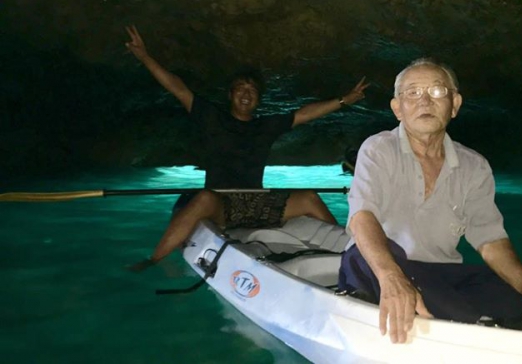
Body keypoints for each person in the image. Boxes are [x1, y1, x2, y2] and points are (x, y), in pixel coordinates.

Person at [338, 58, 522, 344]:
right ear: (397, 109)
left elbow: (490, 240)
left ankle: (473, 319)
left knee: (514, 299)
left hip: (438, 271)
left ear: (455, 104)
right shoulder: (378, 149)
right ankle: (478, 329)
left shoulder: (475, 166)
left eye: (437, 91)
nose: (424, 100)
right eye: (412, 93)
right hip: (377, 262)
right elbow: (362, 216)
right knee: (444, 304)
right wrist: (391, 278)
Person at [124, 25, 369, 271]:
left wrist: (343, 101)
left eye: (252, 90)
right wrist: (144, 56)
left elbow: (304, 114)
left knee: (308, 198)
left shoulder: (266, 126)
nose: (246, 93)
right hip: (222, 203)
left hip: (256, 202)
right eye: (241, 88)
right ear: (231, 94)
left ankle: (349, 254)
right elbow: (178, 88)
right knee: (204, 198)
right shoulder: (212, 117)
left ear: (258, 99)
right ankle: (153, 259)